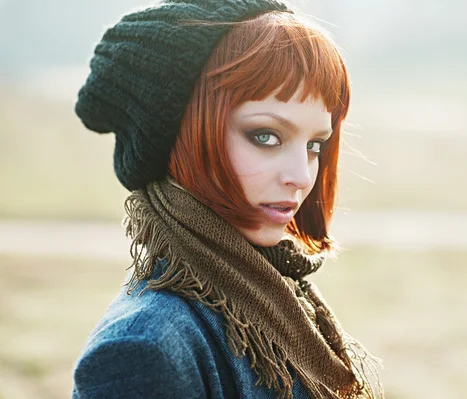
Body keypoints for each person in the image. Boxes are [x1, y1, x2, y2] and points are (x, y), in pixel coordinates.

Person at [71, 0, 382, 398]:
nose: (301, 177)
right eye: (265, 136)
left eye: (315, 144)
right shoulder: (143, 350)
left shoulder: (280, 300)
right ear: (181, 137)